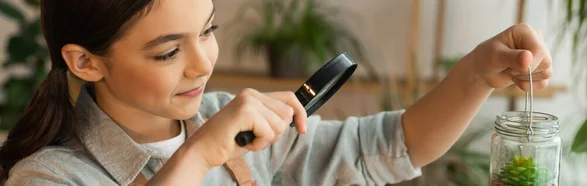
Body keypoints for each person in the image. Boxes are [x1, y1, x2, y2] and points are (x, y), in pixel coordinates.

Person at [0, 0, 552, 185]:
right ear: (85, 61)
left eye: (209, 30)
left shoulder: (231, 122)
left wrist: (476, 73)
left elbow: (387, 147)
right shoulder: (48, 175)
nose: (202, 64)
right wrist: (199, 154)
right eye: (168, 52)